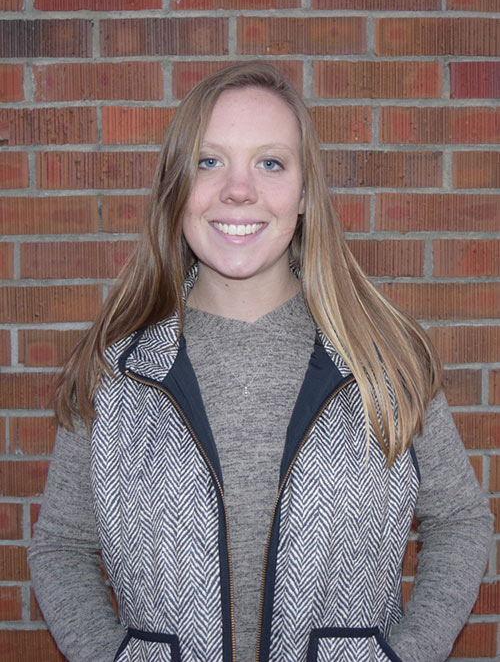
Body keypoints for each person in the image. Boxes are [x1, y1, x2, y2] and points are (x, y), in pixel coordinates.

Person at [28, 62, 493, 662]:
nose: (239, 190)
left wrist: (406, 654)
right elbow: (62, 547)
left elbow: (459, 520)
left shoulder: (385, 362)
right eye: (208, 161)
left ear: (303, 193)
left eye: (270, 163)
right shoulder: (113, 372)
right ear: (177, 188)